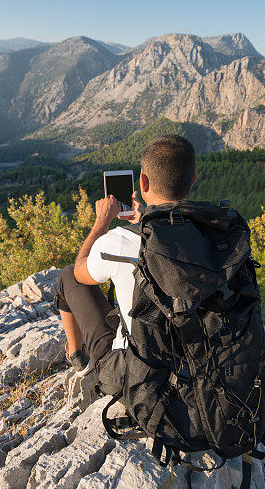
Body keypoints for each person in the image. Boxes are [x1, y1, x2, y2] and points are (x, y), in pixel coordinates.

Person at [53, 134, 196, 385]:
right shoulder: (212, 234)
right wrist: (144, 221)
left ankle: (77, 358)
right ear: (192, 181)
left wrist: (101, 224)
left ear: (143, 182)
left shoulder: (120, 241)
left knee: (67, 275)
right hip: (196, 360)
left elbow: (79, 272)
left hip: (137, 373)